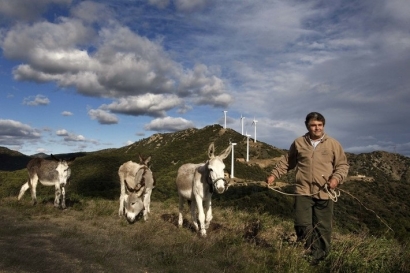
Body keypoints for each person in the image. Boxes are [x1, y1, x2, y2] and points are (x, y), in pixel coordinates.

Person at [266, 112, 349, 265]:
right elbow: (287, 162)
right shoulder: (299, 143)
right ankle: (310, 248)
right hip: (302, 190)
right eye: (313, 125)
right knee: (301, 223)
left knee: (323, 226)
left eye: (319, 125)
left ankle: (320, 257)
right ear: (307, 126)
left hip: (325, 192)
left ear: (323, 125)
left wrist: (336, 179)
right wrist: (273, 175)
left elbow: (342, 165)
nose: (317, 128)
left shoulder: (333, 144)